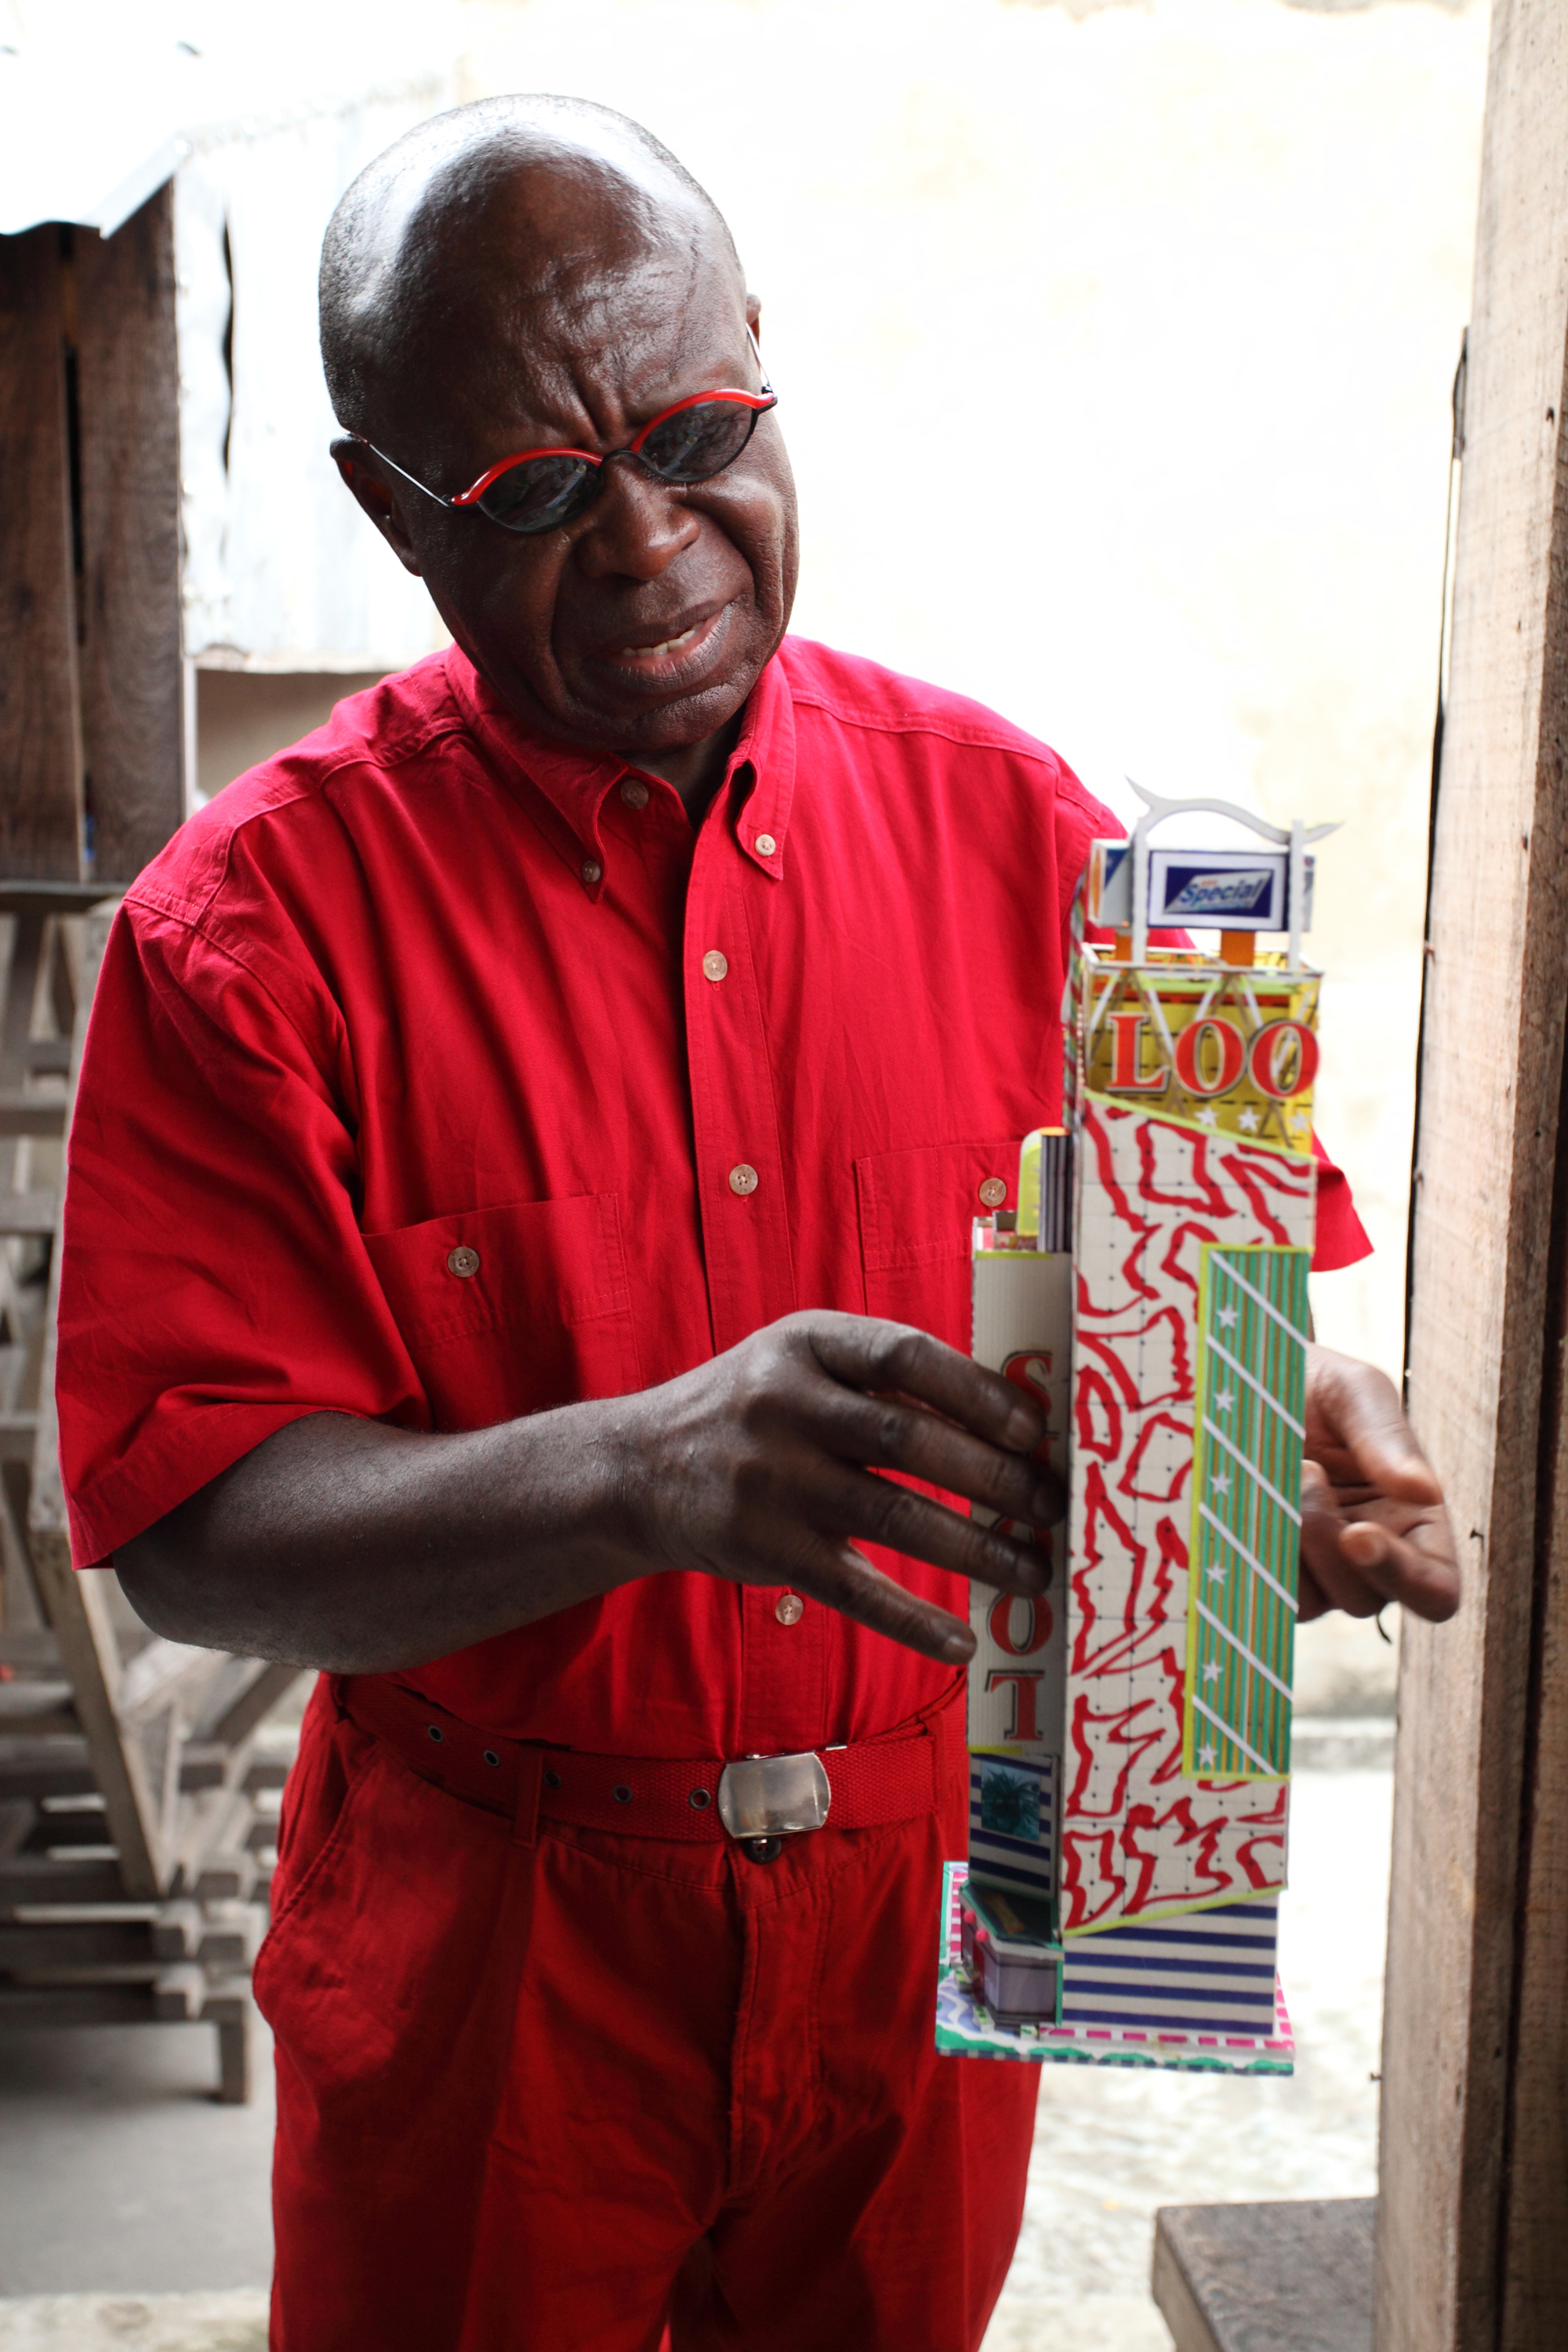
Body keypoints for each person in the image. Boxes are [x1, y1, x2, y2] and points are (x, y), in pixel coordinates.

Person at [56, 95, 1459, 2352]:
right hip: (493, 1951)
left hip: (930, 1914)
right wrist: (648, 1468)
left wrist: (1263, 1451)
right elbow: (195, 1538)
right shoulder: (246, 933)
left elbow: (1210, 1331)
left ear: (763, 362)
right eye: (533, 493)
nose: (647, 541)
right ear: (388, 511)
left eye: (697, 434)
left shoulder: (1041, 836)